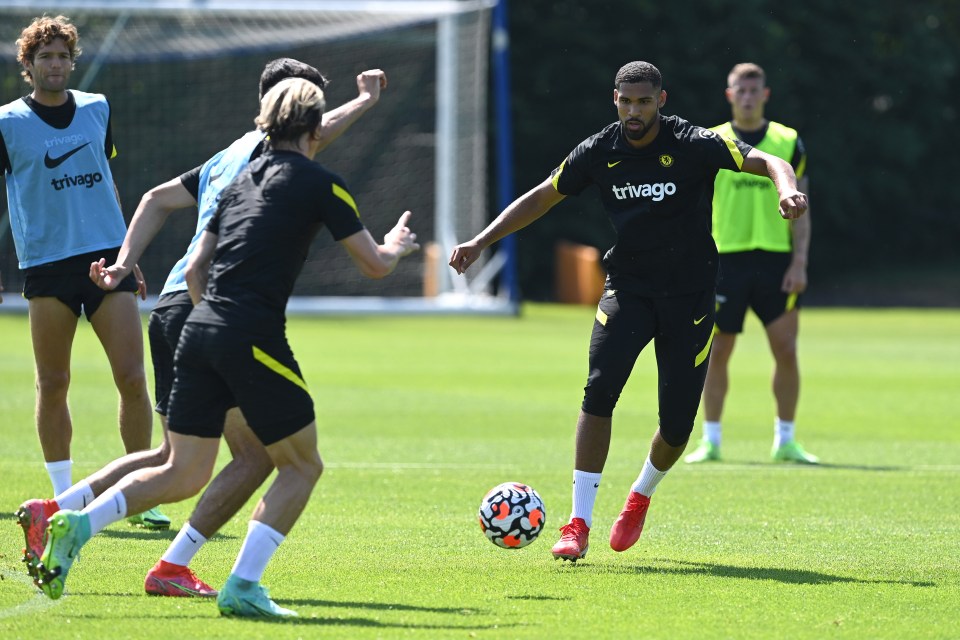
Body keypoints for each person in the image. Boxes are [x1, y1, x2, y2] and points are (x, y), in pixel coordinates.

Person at [35, 77, 419, 619]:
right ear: (313, 128)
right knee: (302, 465)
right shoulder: (323, 184)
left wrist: (213, 320)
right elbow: (375, 265)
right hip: (249, 332)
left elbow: (194, 267)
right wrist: (397, 247)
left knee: (183, 470)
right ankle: (242, 584)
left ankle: (77, 521)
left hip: (197, 325)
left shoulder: (238, 182)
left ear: (267, 124)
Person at [449, 61, 807, 562]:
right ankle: (578, 523)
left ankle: (639, 495)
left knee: (678, 425)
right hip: (629, 290)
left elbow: (771, 161)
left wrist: (785, 189)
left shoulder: (694, 142)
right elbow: (543, 197)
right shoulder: (600, 150)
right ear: (613, 99)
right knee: (599, 390)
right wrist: (481, 239)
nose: (634, 111)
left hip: (690, 298)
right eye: (626, 101)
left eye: (643, 101)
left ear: (661, 100)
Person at [0, 16, 168, 528]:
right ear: (27, 66)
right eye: (44, 56)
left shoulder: (97, 108)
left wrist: (127, 256)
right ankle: (63, 496)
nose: (55, 64)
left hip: (105, 262)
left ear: (72, 61)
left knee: (134, 378)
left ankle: (142, 495)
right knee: (53, 382)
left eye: (61, 55)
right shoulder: (6, 122)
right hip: (46, 266)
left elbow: (108, 183)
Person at [685, 62, 817, 465]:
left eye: (753, 90)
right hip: (726, 259)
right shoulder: (712, 141)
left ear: (765, 95)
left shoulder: (788, 140)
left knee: (786, 349)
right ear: (729, 95)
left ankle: (786, 440)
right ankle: (711, 440)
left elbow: (805, 207)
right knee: (717, 351)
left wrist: (799, 262)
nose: (746, 96)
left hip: (776, 262)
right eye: (739, 90)